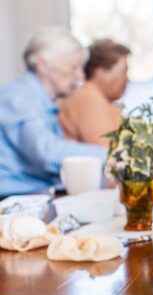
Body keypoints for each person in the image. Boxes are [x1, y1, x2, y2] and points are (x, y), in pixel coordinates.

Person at [0, 28, 106, 196]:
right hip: (11, 203)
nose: (80, 77)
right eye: (73, 67)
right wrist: (112, 155)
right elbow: (47, 153)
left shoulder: (43, 103)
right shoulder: (16, 99)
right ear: (43, 65)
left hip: (37, 195)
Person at [58, 39, 130, 146]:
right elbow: (108, 151)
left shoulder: (96, 97)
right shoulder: (88, 98)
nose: (127, 79)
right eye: (123, 72)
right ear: (99, 72)